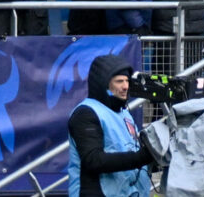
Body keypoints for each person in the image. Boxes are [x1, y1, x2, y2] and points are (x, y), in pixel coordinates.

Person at [66, 55, 155, 197]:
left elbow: (131, 151)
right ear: (104, 84)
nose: (126, 86)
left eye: (127, 81)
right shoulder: (85, 113)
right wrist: (142, 157)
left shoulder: (124, 113)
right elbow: (93, 160)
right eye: (119, 81)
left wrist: (154, 159)